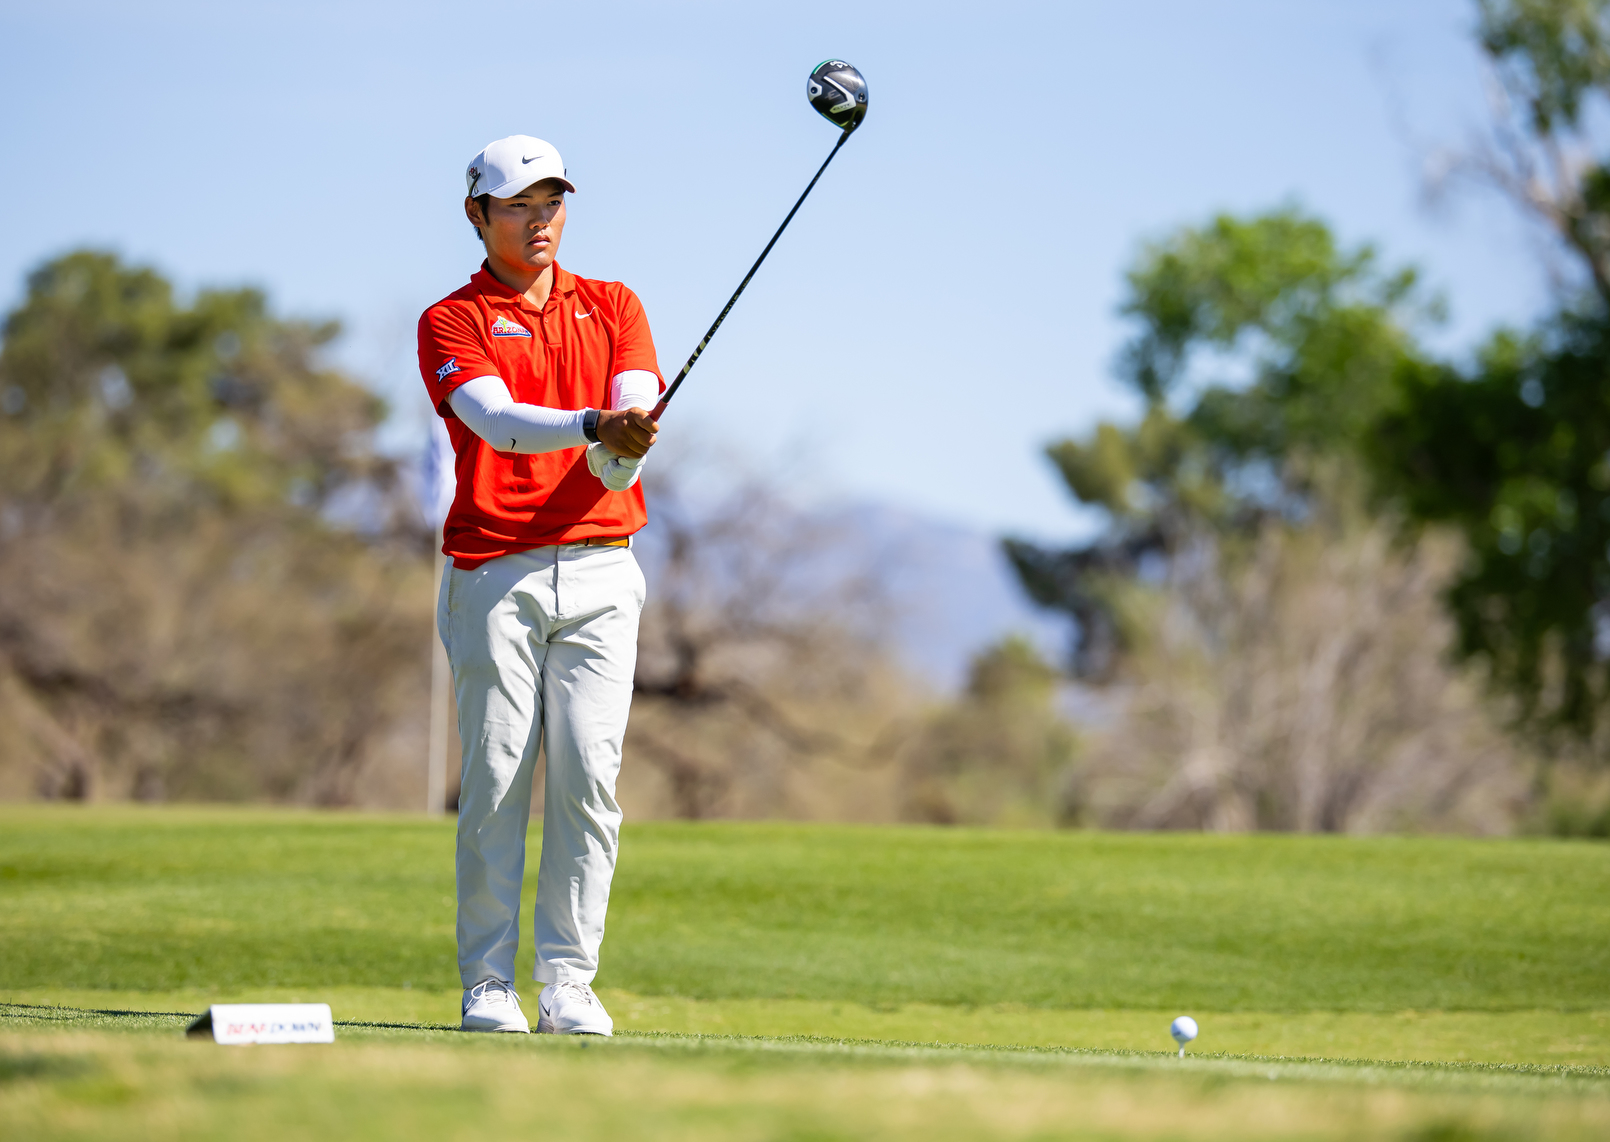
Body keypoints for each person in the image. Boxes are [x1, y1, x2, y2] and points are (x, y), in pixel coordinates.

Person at [417, 135, 662, 1035]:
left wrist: (622, 440)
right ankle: (488, 982)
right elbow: (496, 421)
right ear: (478, 215)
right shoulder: (452, 320)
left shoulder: (614, 304)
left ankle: (569, 982)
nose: (540, 219)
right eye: (520, 204)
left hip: (602, 569)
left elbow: (630, 409)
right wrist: (597, 422)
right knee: (497, 779)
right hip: (495, 570)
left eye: (552, 201)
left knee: (591, 779)